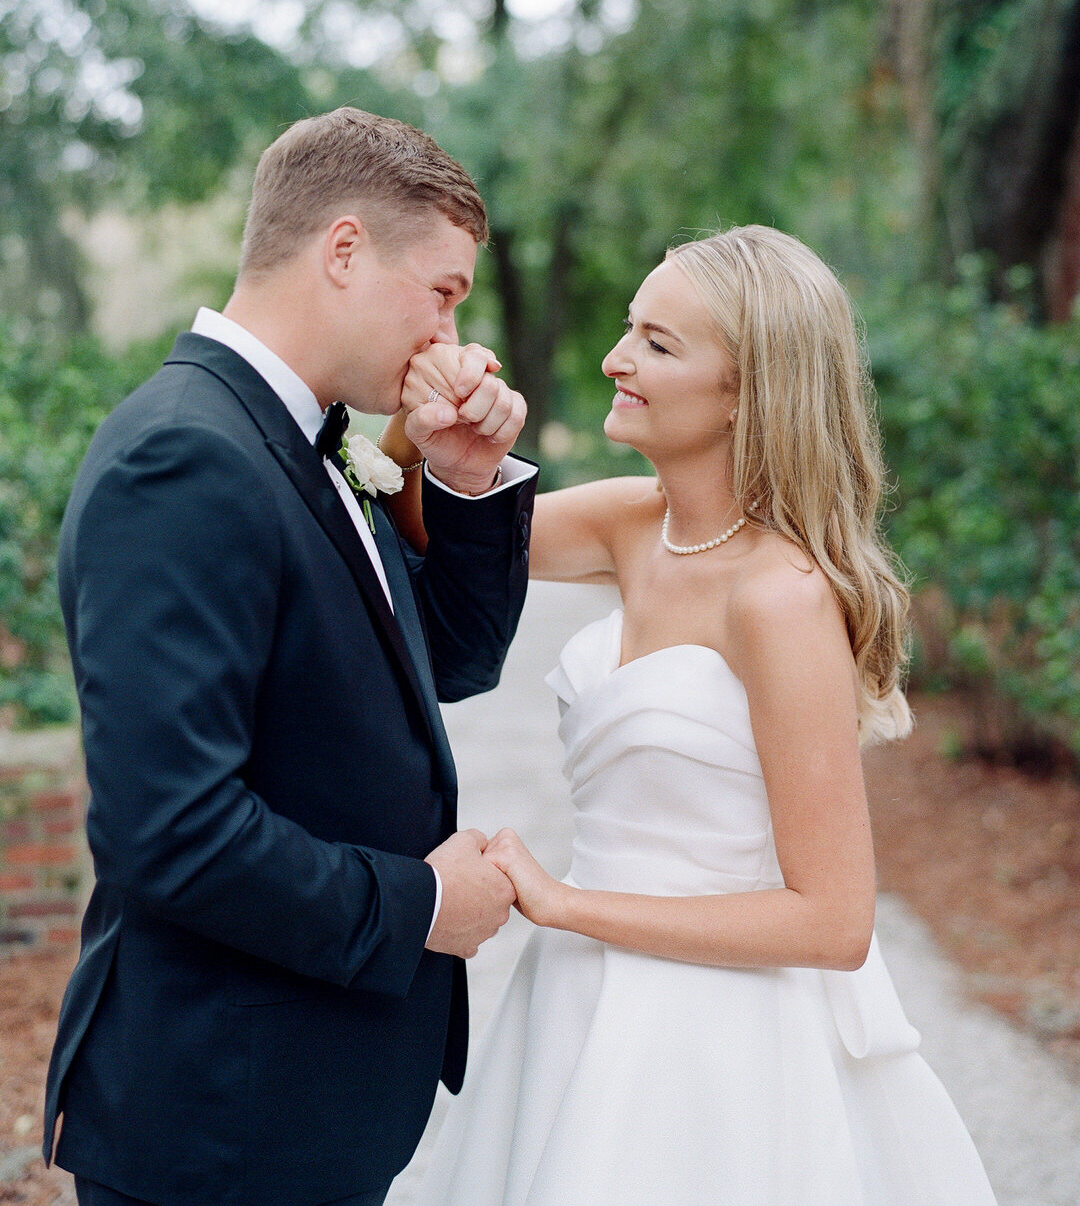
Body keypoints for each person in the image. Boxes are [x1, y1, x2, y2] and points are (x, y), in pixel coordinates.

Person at [385, 225, 998, 1205]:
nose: (615, 358)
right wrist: (417, 435)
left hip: (718, 1035)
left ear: (749, 389)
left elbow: (835, 919)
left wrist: (565, 901)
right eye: (632, 327)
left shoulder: (783, 597)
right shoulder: (638, 520)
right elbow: (434, 529)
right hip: (576, 1001)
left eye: (659, 343)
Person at [43, 107, 539, 1206]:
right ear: (346, 250)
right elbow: (167, 830)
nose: (452, 329)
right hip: (221, 1123)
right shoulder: (187, 456)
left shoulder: (307, 442)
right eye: (445, 289)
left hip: (287, 1113)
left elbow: (444, 664)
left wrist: (457, 480)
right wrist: (419, 905)